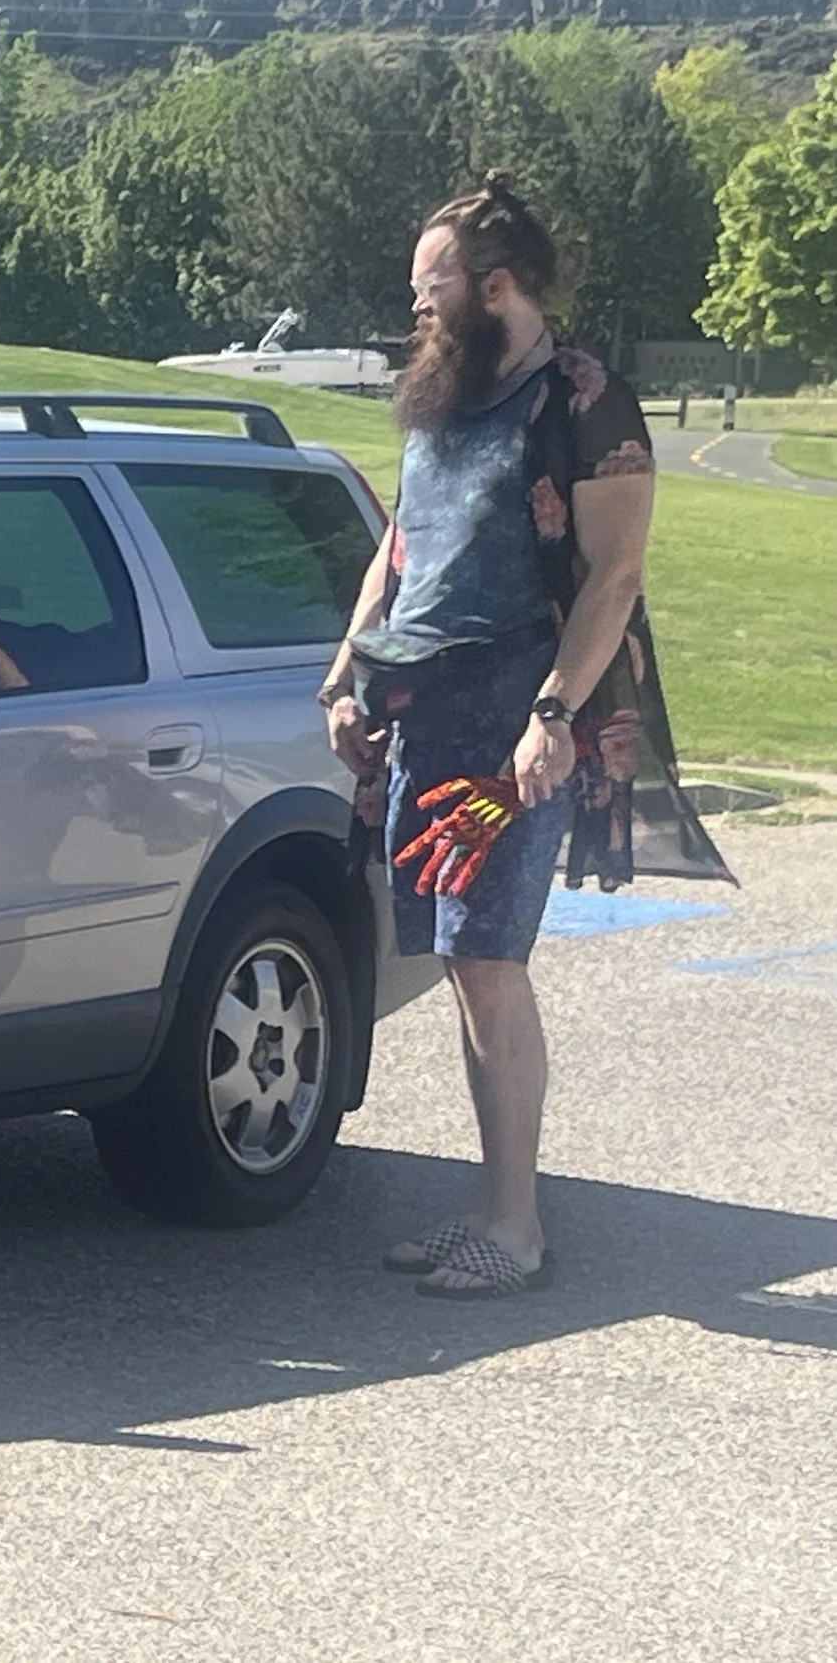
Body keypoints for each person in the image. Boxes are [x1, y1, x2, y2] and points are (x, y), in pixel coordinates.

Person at [316, 175, 708, 1299]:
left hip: (516, 714)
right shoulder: (445, 398)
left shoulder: (585, 398)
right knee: (458, 959)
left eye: (430, 284)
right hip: (426, 711)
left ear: (495, 285)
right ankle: (492, 1205)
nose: (416, 306)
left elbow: (614, 576)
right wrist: (346, 672)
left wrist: (553, 714)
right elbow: (402, 549)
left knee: (489, 958)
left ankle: (518, 1229)